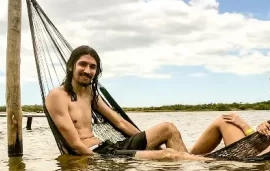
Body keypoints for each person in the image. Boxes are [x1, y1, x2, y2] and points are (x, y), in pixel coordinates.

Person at [46, 46, 198, 160]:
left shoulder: (89, 94)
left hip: (109, 147)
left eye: (92, 67)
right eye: (83, 64)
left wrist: (149, 144)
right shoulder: (58, 96)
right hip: (99, 154)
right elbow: (75, 144)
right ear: (71, 66)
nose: (87, 70)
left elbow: (120, 122)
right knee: (169, 155)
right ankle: (213, 165)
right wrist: (101, 161)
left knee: (168, 128)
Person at [189, 65, 270, 155]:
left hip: (259, 158)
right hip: (262, 154)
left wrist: (244, 125)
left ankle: (187, 158)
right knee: (226, 120)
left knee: (223, 120)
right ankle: (188, 156)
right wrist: (260, 130)